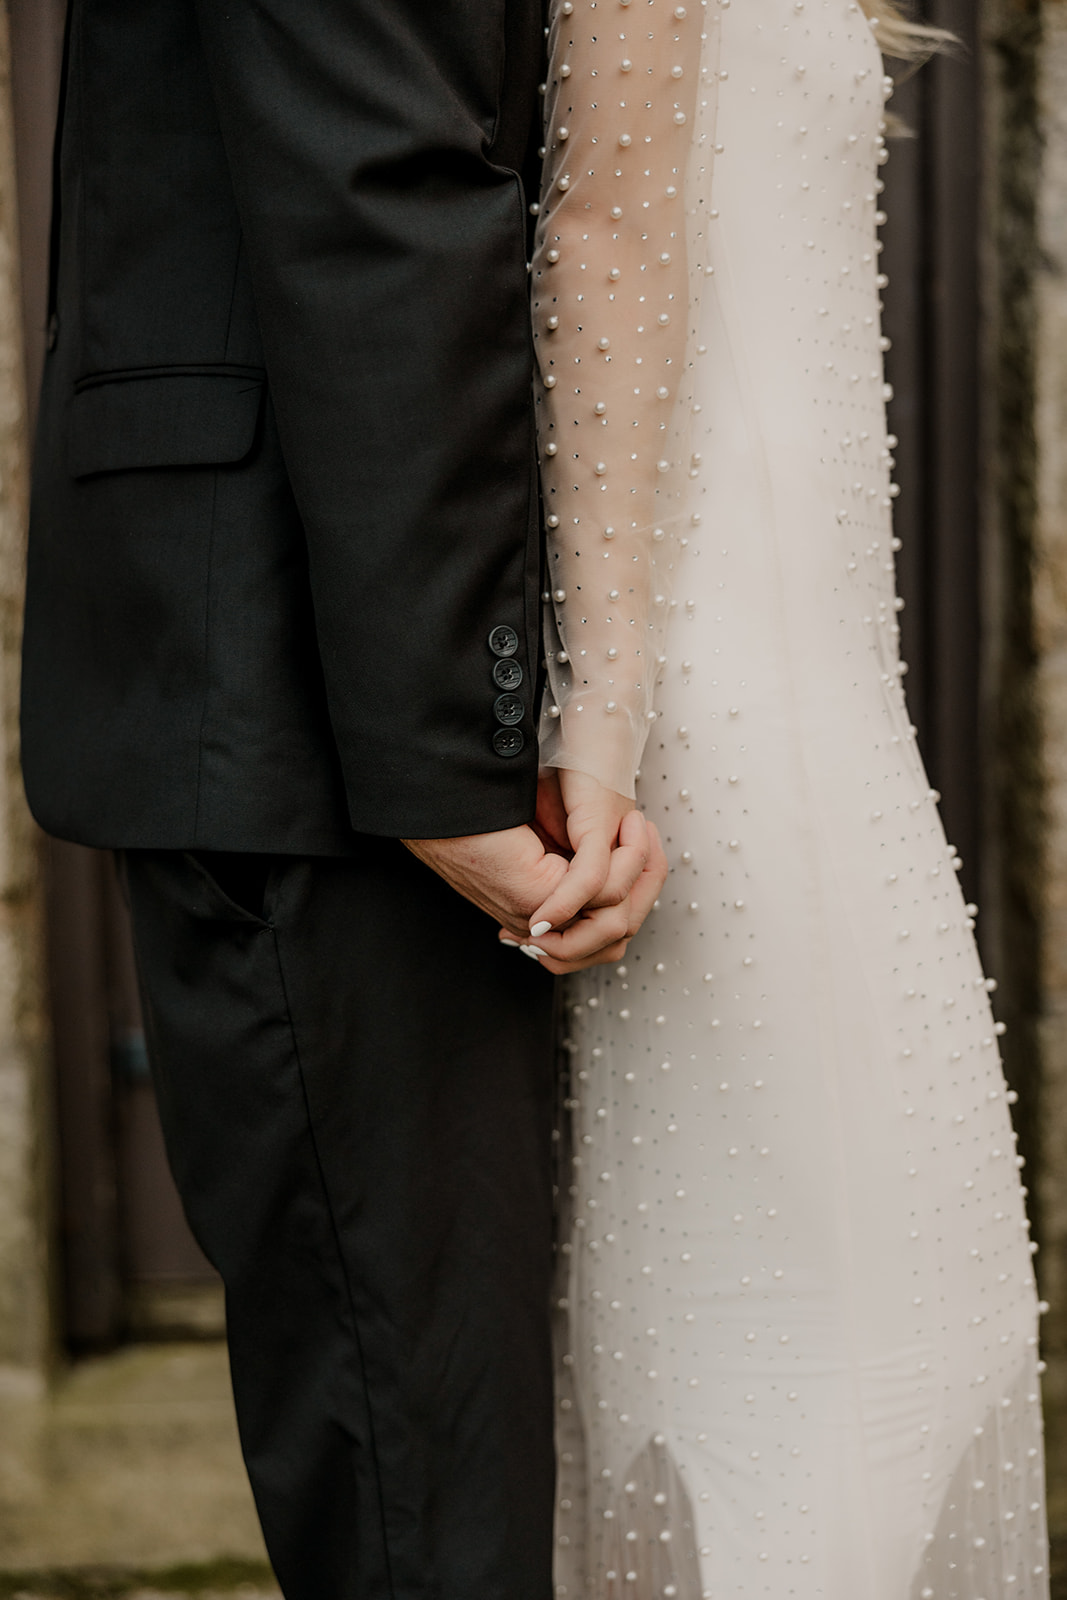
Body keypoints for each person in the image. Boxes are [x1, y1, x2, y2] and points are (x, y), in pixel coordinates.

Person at [18, 4, 669, 1598]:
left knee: (444, 1493)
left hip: (335, 679)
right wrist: (448, 762)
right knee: (429, 1507)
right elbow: (374, 176)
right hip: (323, 699)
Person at [522, 0, 1053, 1592]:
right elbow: (600, 235)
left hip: (826, 706)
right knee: (808, 1314)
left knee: (903, 1305)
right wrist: (606, 712)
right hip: (716, 698)